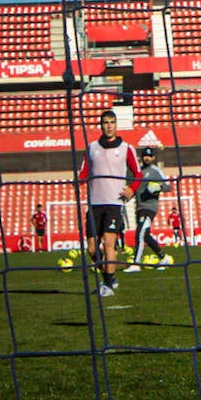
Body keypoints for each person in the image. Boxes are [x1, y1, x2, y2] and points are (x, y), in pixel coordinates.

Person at [76, 109, 141, 297]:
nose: (109, 125)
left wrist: (132, 189)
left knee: (109, 243)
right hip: (94, 203)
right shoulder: (91, 147)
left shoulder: (126, 148)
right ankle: (109, 276)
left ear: (116, 124)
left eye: (112, 122)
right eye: (105, 122)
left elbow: (138, 174)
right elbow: (84, 172)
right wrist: (77, 180)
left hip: (114, 204)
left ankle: (107, 285)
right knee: (91, 248)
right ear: (101, 125)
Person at [125, 147, 175, 272]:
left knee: (140, 234)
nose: (147, 158)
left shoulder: (155, 171)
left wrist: (157, 187)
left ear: (153, 158)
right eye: (145, 156)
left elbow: (168, 186)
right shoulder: (138, 171)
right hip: (139, 207)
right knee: (145, 235)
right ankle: (163, 258)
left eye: (149, 156)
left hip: (150, 207)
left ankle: (136, 264)